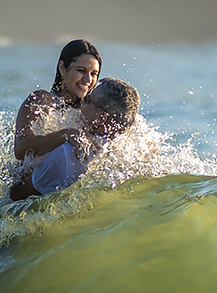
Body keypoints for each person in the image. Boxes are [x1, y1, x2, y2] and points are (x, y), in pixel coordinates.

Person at [10, 78, 139, 201]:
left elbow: (17, 194)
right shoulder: (124, 153)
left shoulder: (69, 153)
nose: (81, 103)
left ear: (101, 119)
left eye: (88, 100)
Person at [14, 39, 101, 162]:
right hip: (29, 180)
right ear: (62, 68)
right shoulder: (42, 100)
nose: (88, 79)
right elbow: (20, 149)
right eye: (81, 70)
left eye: (93, 74)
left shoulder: (88, 111)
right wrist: (65, 134)